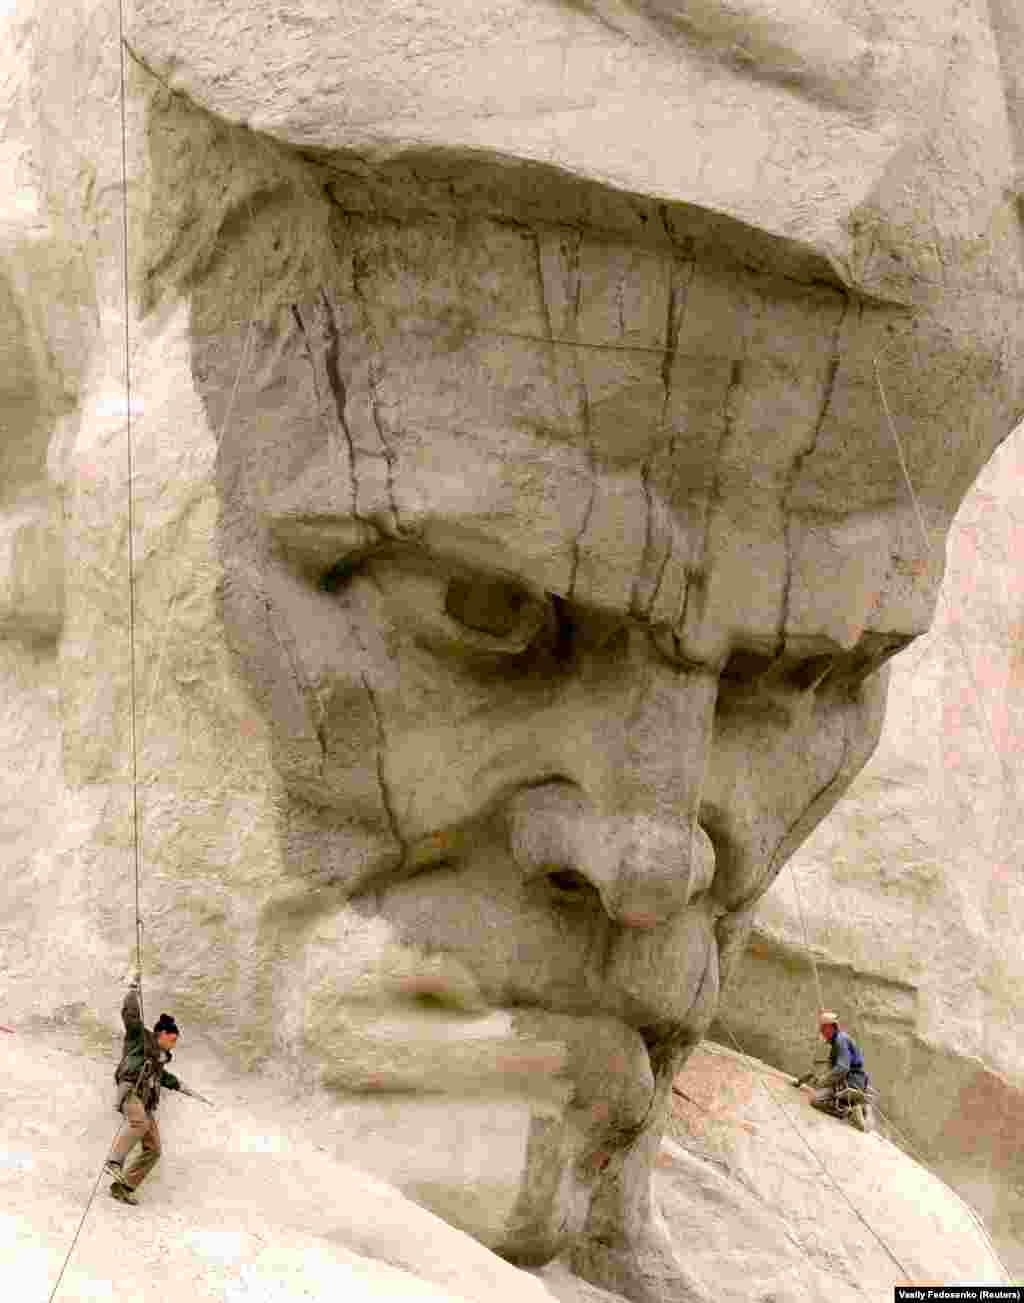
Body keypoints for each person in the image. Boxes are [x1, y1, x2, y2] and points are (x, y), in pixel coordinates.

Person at [104, 973, 185, 1205]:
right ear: (163, 1034)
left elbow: (165, 1078)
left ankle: (123, 1187)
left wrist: (181, 1086)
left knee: (154, 1149)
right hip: (130, 1092)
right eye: (173, 1040)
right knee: (138, 1122)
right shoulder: (140, 1037)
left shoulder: (160, 1060)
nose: (174, 1045)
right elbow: (130, 1015)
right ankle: (114, 1162)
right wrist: (133, 990)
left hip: (145, 1103)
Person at [810, 1011, 873, 1132]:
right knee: (823, 1095)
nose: (822, 1032)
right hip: (856, 1080)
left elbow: (842, 1068)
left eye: (823, 1028)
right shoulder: (840, 1040)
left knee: (816, 1100)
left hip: (851, 1081)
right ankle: (856, 1109)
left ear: (830, 1027)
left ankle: (849, 1112)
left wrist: (823, 1080)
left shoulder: (840, 1041)